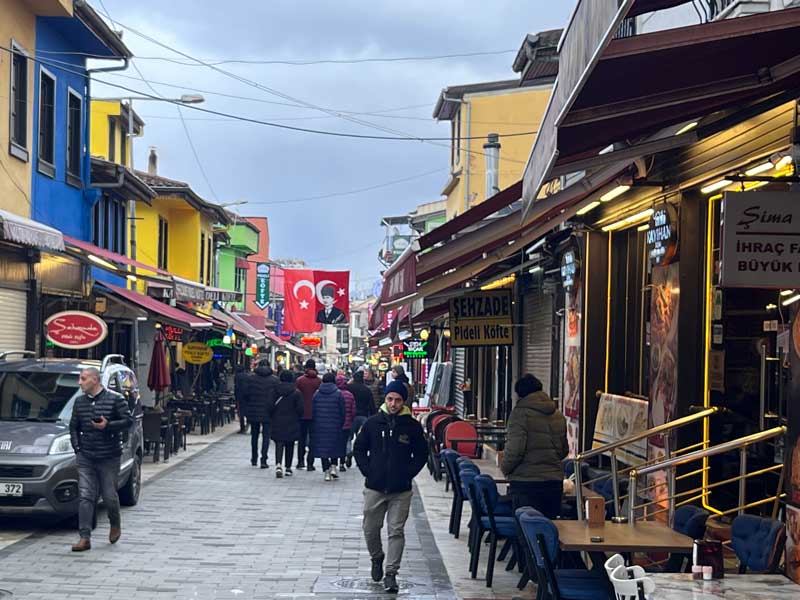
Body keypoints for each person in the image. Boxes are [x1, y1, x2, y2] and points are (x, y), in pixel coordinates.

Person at [353, 380, 428, 593]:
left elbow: (422, 453)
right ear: (385, 400)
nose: (393, 403)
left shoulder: (411, 426)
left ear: (403, 401)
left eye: (397, 399)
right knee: (370, 528)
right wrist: (368, 471)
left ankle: (391, 573)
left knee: (396, 531)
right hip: (375, 487)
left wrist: (408, 473)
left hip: (400, 489)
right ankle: (377, 557)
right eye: (390, 399)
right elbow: (359, 449)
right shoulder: (372, 423)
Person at [69, 367, 134, 552]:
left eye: (83, 379)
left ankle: (115, 523)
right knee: (85, 495)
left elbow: (128, 421)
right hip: (86, 455)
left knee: (109, 495)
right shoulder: (79, 402)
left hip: (109, 455)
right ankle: (84, 536)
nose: (80, 382)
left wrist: (108, 426)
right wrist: (77, 448)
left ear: (95, 380)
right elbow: (73, 427)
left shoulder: (116, 399)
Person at [500, 373, 568, 519]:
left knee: (526, 532)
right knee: (549, 530)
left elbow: (515, 450)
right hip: (553, 483)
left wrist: (505, 468)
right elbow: (563, 450)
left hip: (526, 483)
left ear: (520, 394)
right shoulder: (557, 414)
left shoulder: (519, 415)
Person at [271, 370, 305, 479]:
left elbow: (269, 406)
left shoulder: (275, 391)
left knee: (279, 443)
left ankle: (278, 465)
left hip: (277, 420)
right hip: (292, 420)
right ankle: (288, 467)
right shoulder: (296, 392)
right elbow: (300, 409)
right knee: (290, 444)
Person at [312, 372, 345, 481]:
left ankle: (326, 472)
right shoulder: (338, 394)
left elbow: (314, 411)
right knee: (334, 446)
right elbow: (342, 412)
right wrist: (341, 423)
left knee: (323, 449)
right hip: (335, 424)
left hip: (320, 425)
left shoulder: (317, 394)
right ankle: (334, 467)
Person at [245, 361, 278, 469]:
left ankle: (254, 458)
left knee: (254, 436)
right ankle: (264, 459)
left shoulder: (251, 379)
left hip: (254, 411)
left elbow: (246, 394)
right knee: (266, 437)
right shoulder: (274, 380)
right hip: (268, 411)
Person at [296, 359, 321, 471]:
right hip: (315, 414)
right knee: (313, 439)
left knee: (301, 438)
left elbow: (296, 397)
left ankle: (300, 461)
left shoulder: (300, 380)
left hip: (301, 413)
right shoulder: (319, 381)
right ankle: (310, 463)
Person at [347, 371, 376, 467]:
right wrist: (373, 416)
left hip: (351, 417)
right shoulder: (366, 389)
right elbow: (371, 405)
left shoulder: (349, 388)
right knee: (362, 439)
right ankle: (359, 458)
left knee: (348, 438)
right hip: (363, 416)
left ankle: (348, 452)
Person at [336, 375, 356, 471]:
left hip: (336, 423)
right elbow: (353, 411)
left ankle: (334, 463)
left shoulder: (335, 393)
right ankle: (342, 463)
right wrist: (351, 420)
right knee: (345, 442)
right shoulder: (349, 395)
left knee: (336, 443)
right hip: (347, 423)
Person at [234, 365, 251, 434]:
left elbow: (237, 387)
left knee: (241, 412)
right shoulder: (248, 376)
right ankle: (248, 422)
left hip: (240, 396)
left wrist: (236, 396)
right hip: (248, 396)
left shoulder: (237, 376)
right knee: (247, 411)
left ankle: (242, 427)